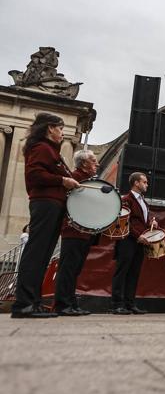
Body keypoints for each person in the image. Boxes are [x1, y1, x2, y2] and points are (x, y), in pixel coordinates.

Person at [11, 113, 80, 319]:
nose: (61, 133)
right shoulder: (42, 148)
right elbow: (34, 175)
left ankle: (33, 302)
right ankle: (23, 304)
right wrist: (63, 181)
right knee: (36, 254)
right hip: (46, 203)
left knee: (42, 256)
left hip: (53, 204)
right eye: (60, 129)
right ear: (50, 128)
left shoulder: (50, 150)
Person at [54, 149, 100, 316]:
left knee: (74, 269)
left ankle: (71, 303)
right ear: (84, 163)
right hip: (73, 230)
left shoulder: (87, 180)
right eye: (94, 161)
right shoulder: (75, 178)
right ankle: (62, 304)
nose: (97, 164)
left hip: (84, 231)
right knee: (68, 269)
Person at [111, 172, 157, 315]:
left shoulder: (144, 201)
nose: (147, 185)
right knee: (122, 272)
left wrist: (151, 223)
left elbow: (142, 221)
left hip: (139, 242)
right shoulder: (126, 199)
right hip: (127, 241)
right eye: (145, 182)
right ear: (136, 183)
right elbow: (125, 222)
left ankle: (130, 304)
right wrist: (138, 236)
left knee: (134, 273)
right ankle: (116, 304)